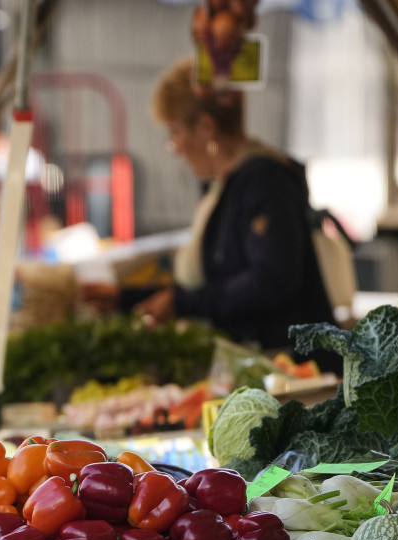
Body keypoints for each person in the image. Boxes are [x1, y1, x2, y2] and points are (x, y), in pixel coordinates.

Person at [139, 58, 335, 352]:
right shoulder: (226, 186)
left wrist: (183, 303)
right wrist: (125, 297)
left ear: (206, 127)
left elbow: (270, 281)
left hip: (290, 368)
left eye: (175, 133)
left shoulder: (264, 181)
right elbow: (217, 281)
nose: (175, 148)